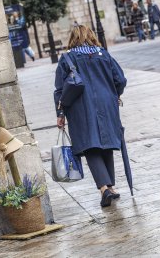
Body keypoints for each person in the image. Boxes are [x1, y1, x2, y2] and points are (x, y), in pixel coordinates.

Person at [53, 25, 127, 207]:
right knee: (106, 142)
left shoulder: (67, 58)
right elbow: (120, 80)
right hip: (107, 103)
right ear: (91, 36)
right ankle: (111, 187)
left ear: (73, 38)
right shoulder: (104, 54)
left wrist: (60, 113)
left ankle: (104, 189)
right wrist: (115, 94)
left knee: (90, 146)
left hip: (80, 107)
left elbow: (60, 90)